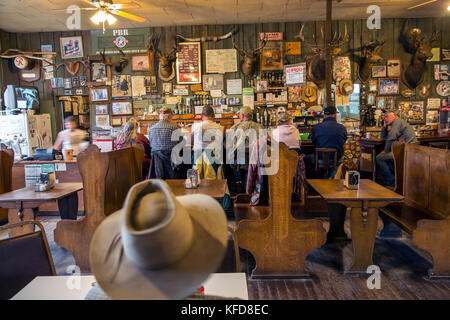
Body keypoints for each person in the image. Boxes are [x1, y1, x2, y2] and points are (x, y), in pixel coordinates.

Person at [376, 110, 417, 187]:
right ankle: (397, 180)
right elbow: (383, 137)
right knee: (388, 160)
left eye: (387, 116)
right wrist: (384, 127)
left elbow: (391, 137)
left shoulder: (397, 122)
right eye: (384, 117)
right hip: (406, 150)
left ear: (394, 115)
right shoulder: (397, 122)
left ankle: (392, 181)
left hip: (407, 151)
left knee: (379, 158)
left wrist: (385, 150)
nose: (385, 118)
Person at [305, 106, 347, 179]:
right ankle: (331, 178)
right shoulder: (342, 128)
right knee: (339, 160)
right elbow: (343, 141)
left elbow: (313, 141)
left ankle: (314, 182)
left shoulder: (317, 127)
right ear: (335, 115)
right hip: (336, 159)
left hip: (320, 158)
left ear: (324, 115)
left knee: (305, 159)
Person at [228, 106, 262, 193]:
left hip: (243, 161)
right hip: (258, 160)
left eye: (239, 114)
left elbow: (234, 144)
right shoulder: (260, 127)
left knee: (229, 162)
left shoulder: (237, 128)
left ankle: (239, 188)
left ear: (242, 116)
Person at [148, 106, 179, 179]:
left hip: (156, 165)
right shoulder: (173, 128)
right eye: (171, 116)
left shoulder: (151, 129)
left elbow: (151, 144)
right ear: (169, 116)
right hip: (171, 163)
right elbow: (180, 143)